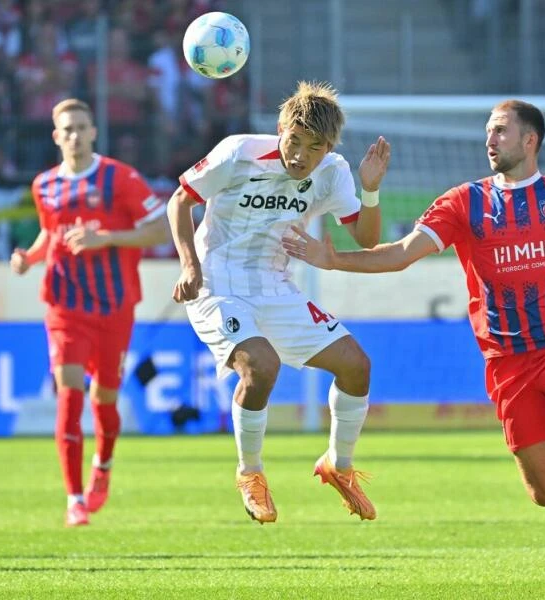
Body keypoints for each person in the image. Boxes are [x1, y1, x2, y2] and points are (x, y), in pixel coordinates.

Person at [283, 99, 545, 600]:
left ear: (530, 141)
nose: (490, 139)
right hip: (508, 362)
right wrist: (331, 258)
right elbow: (401, 255)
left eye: (501, 131)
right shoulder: (463, 203)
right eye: (488, 131)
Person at [166, 81, 390, 524]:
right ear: (280, 129)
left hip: (276, 286)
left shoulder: (333, 171)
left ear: (328, 148)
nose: (301, 156)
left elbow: (366, 238)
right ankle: (250, 473)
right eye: (294, 141)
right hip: (217, 284)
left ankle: (338, 466)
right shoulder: (238, 151)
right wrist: (189, 265)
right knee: (261, 365)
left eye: (315, 147)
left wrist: (370, 190)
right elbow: (179, 202)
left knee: (356, 366)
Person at [10, 98, 168, 527]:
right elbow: (51, 234)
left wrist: (108, 238)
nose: (76, 135)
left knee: (105, 397)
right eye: (68, 128)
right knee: (70, 390)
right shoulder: (44, 185)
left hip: (114, 307)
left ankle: (103, 462)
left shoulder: (121, 178)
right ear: (56, 136)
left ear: (94, 131)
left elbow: (160, 228)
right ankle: (74, 497)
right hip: (63, 305)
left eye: (82, 126)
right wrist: (30, 257)